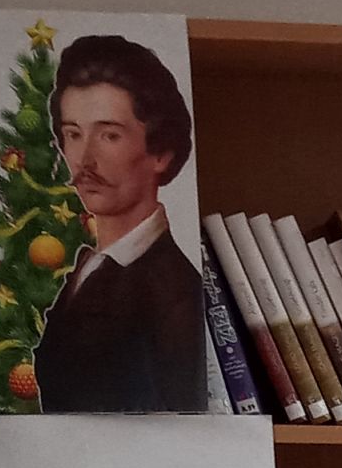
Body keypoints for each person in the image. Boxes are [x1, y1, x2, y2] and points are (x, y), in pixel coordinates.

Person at [30, 33, 213, 415]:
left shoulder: (173, 292)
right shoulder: (88, 267)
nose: (85, 160)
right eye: (73, 134)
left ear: (161, 152)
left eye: (109, 135)